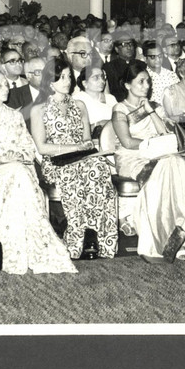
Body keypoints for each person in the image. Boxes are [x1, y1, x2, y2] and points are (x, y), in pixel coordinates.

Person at [0, 70, 77, 275]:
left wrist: (16, 155)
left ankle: (35, 249)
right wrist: (2, 158)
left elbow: (28, 147)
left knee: (19, 173)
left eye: (6, 84)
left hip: (17, 170)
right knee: (18, 174)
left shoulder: (15, 116)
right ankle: (12, 252)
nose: (6, 88)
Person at [31, 58, 118, 260]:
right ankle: (79, 239)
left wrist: (85, 147)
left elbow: (87, 139)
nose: (67, 81)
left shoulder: (79, 105)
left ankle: (95, 234)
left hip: (82, 157)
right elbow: (43, 147)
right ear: (49, 82)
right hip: (56, 161)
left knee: (99, 168)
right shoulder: (40, 109)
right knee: (82, 172)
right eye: (61, 77)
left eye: (69, 76)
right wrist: (73, 147)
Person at [111, 62, 185, 262]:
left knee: (175, 163)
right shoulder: (120, 108)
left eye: (148, 81)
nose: (146, 86)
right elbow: (126, 141)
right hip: (132, 156)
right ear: (127, 85)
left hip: (159, 154)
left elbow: (165, 133)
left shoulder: (155, 106)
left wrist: (150, 111)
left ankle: (178, 237)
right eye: (140, 82)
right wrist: (154, 145)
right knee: (165, 167)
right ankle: (155, 242)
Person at [74, 65, 117, 139]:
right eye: (96, 78)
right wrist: (98, 124)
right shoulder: (78, 100)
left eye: (102, 77)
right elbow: (76, 131)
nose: (102, 81)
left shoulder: (110, 98)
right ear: (85, 83)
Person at [161, 57, 185, 131]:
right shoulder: (169, 91)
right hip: (180, 132)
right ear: (182, 74)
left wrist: (181, 117)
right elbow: (169, 118)